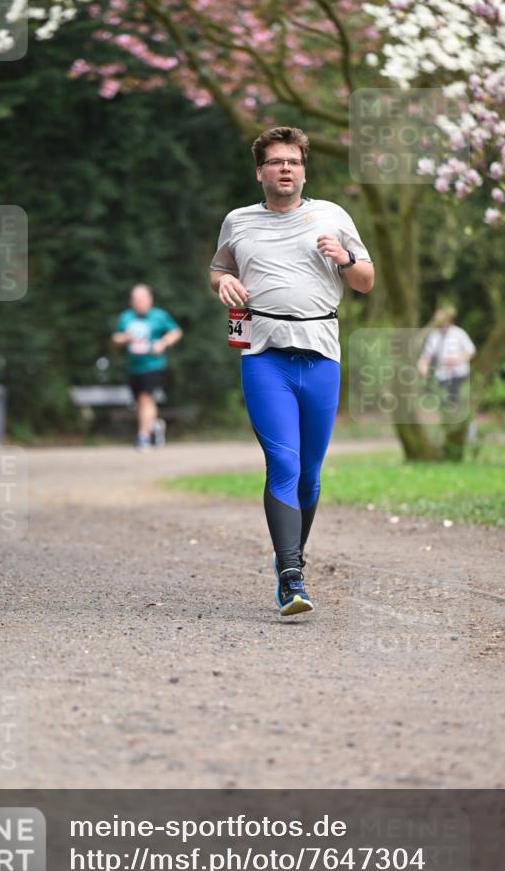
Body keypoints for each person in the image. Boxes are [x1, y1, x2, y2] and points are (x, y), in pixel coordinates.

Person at [210, 126, 374, 618]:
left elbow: (365, 280)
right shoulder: (238, 222)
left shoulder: (332, 216)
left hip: (321, 354)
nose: (286, 168)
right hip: (265, 354)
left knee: (309, 474)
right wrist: (224, 282)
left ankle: (292, 560)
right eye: (277, 161)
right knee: (282, 463)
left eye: (294, 162)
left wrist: (343, 258)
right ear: (260, 172)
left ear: (303, 170)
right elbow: (218, 269)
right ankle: (290, 575)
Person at [112, 284, 182, 449]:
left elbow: (176, 331)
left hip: (153, 364)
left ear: (150, 300)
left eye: (142, 299)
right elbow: (115, 339)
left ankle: (142, 436)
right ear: (131, 301)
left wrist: (163, 343)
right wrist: (122, 338)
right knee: (141, 401)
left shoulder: (159, 316)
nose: (139, 302)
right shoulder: (126, 317)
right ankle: (155, 426)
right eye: (135, 299)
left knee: (145, 398)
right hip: (134, 366)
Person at [417, 304, 476, 408]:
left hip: (459, 375)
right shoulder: (434, 336)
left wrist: (457, 359)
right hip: (442, 376)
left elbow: (471, 351)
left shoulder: (459, 333)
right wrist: (422, 366)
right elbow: (426, 356)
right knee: (445, 406)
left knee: (459, 405)